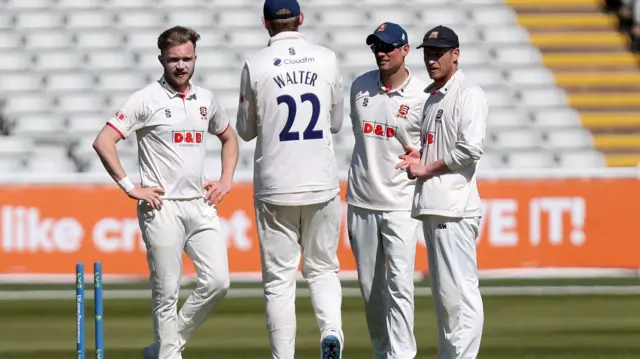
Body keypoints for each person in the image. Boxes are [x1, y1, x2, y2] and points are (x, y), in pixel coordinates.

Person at [92, 26, 239, 359]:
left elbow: (229, 138)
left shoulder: (206, 99)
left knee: (218, 283)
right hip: (162, 207)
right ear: (162, 59)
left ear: (195, 58)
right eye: (174, 60)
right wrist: (130, 187)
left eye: (187, 59)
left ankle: (163, 348)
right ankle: (169, 355)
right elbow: (103, 141)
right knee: (167, 292)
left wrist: (225, 179)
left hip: (200, 205)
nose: (181, 66)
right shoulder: (146, 99)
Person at [235, 0, 345, 358]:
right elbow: (335, 122)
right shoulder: (327, 58)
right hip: (321, 181)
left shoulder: (255, 64)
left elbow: (245, 130)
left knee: (280, 281)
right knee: (323, 269)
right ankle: (331, 330)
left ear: (265, 23)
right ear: (301, 19)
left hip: (275, 185)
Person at [396, 25, 487, 359]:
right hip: (434, 205)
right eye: (428, 54)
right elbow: (443, 147)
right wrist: (420, 156)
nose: (431, 60)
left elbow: (469, 150)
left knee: (460, 296)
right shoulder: (433, 96)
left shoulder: (469, 94)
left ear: (456, 55)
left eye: (438, 54)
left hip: (455, 206)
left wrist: (427, 168)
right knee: (445, 300)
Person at [346, 22, 428, 359]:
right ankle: (383, 352)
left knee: (400, 285)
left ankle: (403, 355)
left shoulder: (422, 95)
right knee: (371, 290)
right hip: (362, 200)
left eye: (389, 46)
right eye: (376, 46)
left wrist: (420, 158)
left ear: (405, 50)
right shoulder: (360, 86)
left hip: (400, 203)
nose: (382, 52)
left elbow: (429, 150)